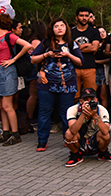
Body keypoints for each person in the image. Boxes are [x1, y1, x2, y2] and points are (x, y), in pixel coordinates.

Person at [30, 18, 84, 152]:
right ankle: (42, 141)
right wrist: (47, 54)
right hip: (46, 84)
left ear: (66, 28)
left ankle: (68, 138)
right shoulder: (46, 43)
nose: (59, 28)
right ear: (51, 29)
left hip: (67, 84)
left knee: (67, 112)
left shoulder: (72, 44)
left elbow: (80, 62)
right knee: (44, 112)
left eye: (62, 26)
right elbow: (33, 59)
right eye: (56, 26)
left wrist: (68, 54)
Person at [0, 13, 33, 146]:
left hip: (7, 72)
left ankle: (15, 134)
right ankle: (5, 133)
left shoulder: (9, 36)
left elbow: (27, 45)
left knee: (7, 105)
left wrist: (13, 59)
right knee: (0, 105)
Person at [64, 87, 111, 167]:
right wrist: (83, 114)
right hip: (80, 140)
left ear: (96, 100)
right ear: (80, 101)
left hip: (94, 140)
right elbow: (73, 131)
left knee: (106, 135)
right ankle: (75, 155)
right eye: (86, 99)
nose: (89, 101)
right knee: (68, 133)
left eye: (92, 99)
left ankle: (103, 153)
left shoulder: (101, 109)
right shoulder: (73, 109)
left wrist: (95, 115)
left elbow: (105, 131)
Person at [70, 7, 100, 97]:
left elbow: (94, 48)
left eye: (86, 16)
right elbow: (69, 50)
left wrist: (78, 48)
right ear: (76, 17)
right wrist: (88, 45)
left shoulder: (94, 31)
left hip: (89, 67)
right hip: (74, 67)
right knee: (74, 95)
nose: (84, 18)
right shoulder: (71, 32)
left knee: (90, 95)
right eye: (81, 15)